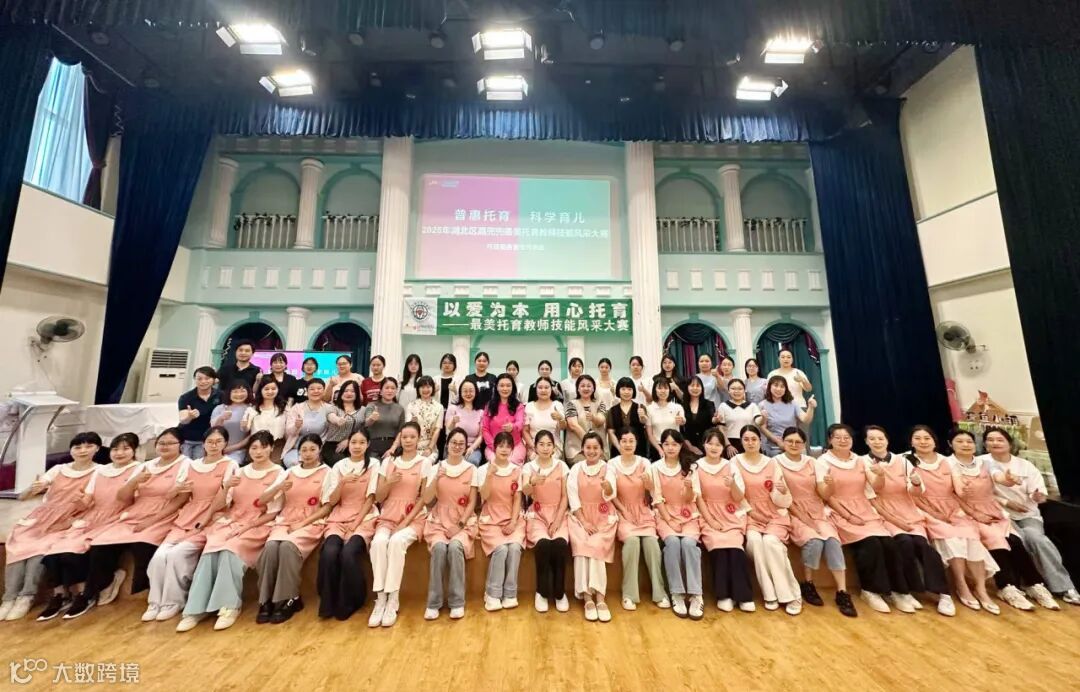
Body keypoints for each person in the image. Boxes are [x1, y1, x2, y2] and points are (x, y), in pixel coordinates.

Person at [177, 431, 286, 632]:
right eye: (254, 447)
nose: (258, 451)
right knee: (211, 549)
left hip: (258, 524)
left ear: (271, 448)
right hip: (232, 520)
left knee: (230, 550)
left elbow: (273, 512)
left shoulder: (278, 473)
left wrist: (248, 526)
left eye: (263, 447)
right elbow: (222, 504)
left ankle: (229, 606)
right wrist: (226, 487)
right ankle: (195, 609)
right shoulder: (240, 472)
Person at [80, 429, 191, 618]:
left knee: (143, 544)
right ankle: (98, 588)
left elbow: (180, 500)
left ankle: (149, 595)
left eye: (170, 443)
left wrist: (151, 521)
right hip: (135, 512)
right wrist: (134, 482)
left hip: (165, 514)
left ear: (180, 445)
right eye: (161, 443)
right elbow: (123, 497)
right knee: (100, 543)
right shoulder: (146, 466)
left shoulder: (186, 464)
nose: (165, 446)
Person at [36, 433, 141, 621]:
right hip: (92, 517)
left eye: (126, 449)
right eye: (115, 449)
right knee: (54, 552)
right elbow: (87, 501)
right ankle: (60, 595)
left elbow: (130, 499)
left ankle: (87, 594)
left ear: (134, 451)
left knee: (81, 552)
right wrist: (79, 501)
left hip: (118, 518)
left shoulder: (139, 469)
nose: (119, 453)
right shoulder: (101, 471)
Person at [1, 432, 101, 622]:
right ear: (71, 450)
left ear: (97, 448)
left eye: (88, 446)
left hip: (71, 520)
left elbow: (95, 503)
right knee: (17, 547)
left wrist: (70, 520)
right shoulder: (58, 469)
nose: (82, 450)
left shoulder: (100, 472)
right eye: (78, 447)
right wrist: (33, 489)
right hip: (42, 517)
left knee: (38, 552)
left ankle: (26, 597)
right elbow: (24, 496)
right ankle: (9, 598)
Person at [143, 427, 239, 623]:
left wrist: (205, 519)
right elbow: (176, 497)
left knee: (178, 555)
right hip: (186, 518)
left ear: (225, 444)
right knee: (159, 557)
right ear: (203, 444)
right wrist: (176, 489)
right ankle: (155, 602)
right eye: (210, 441)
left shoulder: (230, 465)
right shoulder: (191, 465)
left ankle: (174, 601)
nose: (214, 445)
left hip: (211, 519)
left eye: (218, 441)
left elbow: (224, 501)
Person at [951, 428, 1049, 611]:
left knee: (1015, 541)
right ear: (950, 444)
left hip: (991, 509)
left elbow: (999, 477)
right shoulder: (948, 464)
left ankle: (1034, 584)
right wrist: (974, 512)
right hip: (966, 513)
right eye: (960, 442)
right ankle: (1006, 586)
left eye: (969, 442)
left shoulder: (984, 463)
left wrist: (1009, 479)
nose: (965, 445)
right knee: (996, 541)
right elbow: (953, 495)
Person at [817, 423, 910, 614]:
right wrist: (849, 516)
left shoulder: (860, 460)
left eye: (847, 437)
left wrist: (881, 475)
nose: (843, 440)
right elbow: (826, 496)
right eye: (837, 437)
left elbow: (875, 487)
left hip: (865, 509)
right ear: (830, 440)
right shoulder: (823, 462)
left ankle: (897, 591)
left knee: (889, 543)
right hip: (840, 510)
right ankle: (870, 591)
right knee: (870, 543)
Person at [862, 425, 953, 616]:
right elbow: (873, 493)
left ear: (887, 440)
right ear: (866, 442)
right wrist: (897, 521)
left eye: (880, 438)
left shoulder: (903, 462)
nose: (877, 442)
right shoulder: (863, 462)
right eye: (872, 439)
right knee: (903, 543)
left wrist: (917, 483)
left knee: (923, 546)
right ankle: (905, 591)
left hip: (908, 510)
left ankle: (944, 594)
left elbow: (915, 492)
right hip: (884, 513)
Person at [985, 427, 1080, 605]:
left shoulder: (1025, 465)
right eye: (990, 440)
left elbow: (1038, 493)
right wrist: (1006, 502)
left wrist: (1037, 496)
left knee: (1037, 538)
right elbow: (979, 494)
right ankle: (1030, 583)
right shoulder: (982, 463)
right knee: (1017, 539)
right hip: (1000, 515)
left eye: (999, 439)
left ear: (1010, 443)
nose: (995, 443)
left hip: (1028, 514)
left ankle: (1064, 586)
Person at [910, 426, 1000, 613]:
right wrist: (934, 514)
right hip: (925, 509)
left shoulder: (947, 462)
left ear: (935, 441)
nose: (923, 442)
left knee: (972, 538)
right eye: (918, 438)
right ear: (911, 442)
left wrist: (964, 491)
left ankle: (981, 589)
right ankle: (961, 585)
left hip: (952, 508)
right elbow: (911, 495)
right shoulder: (907, 461)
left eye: (927, 438)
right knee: (952, 540)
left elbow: (957, 488)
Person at [775, 427, 858, 617]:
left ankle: (842, 591)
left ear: (804, 444)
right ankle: (808, 583)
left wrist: (830, 485)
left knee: (833, 541)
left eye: (798, 442)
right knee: (814, 541)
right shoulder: (776, 463)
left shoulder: (812, 463)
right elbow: (785, 499)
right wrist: (804, 518)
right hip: (792, 511)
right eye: (790, 441)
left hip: (817, 510)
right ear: (783, 442)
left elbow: (824, 494)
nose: (794, 445)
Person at [255, 434, 333, 624]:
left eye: (312, 449)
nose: (308, 453)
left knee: (288, 547)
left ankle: (289, 598)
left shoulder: (327, 472)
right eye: (304, 450)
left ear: (320, 450)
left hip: (311, 521)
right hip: (285, 520)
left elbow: (327, 507)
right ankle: (265, 599)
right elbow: (262, 500)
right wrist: (279, 487)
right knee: (271, 546)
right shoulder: (289, 472)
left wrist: (303, 524)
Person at [368, 423, 430, 628]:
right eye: (405, 437)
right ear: (400, 439)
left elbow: (423, 498)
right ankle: (380, 599)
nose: (408, 440)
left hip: (413, 517)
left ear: (418, 439)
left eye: (412, 437)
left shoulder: (424, 463)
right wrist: (389, 482)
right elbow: (378, 497)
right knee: (378, 543)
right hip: (388, 516)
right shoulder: (388, 462)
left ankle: (393, 598)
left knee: (396, 542)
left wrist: (404, 523)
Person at [735, 425, 802, 615]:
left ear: (760, 441)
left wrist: (782, 492)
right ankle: (769, 594)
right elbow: (736, 496)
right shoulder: (734, 463)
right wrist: (752, 513)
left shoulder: (772, 463)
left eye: (754, 439)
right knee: (755, 542)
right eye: (746, 439)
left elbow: (783, 500)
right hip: (749, 515)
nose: (750, 443)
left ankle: (791, 594)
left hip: (774, 514)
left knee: (771, 543)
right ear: (741, 442)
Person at [317, 428, 380, 620]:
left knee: (349, 553)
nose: (357, 446)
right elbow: (332, 501)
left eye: (362, 442)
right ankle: (328, 601)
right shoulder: (338, 467)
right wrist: (342, 482)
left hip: (364, 517)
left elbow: (371, 499)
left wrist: (356, 523)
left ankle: (352, 600)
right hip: (339, 516)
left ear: (368, 445)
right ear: (348, 444)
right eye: (353, 442)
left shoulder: (374, 464)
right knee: (329, 552)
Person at [694, 427, 755, 615]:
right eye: (710, 443)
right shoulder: (696, 467)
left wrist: (732, 484)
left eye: (718, 444)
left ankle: (743, 596)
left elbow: (739, 497)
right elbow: (698, 498)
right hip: (708, 515)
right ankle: (723, 595)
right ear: (704, 445)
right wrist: (711, 521)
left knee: (735, 550)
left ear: (723, 447)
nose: (714, 447)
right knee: (719, 549)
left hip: (731, 514)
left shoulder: (731, 466)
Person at [421, 428, 479, 620]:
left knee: (455, 547)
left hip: (463, 520)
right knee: (438, 548)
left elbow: (472, 502)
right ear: (447, 444)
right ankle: (434, 603)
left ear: (466, 447)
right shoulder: (436, 467)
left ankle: (457, 602)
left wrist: (459, 525)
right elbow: (427, 499)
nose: (457, 446)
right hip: (439, 519)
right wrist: (437, 478)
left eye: (461, 443)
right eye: (454, 442)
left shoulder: (471, 469)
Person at [610, 429, 667, 612]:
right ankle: (629, 594)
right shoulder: (612, 464)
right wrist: (624, 512)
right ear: (619, 443)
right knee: (632, 543)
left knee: (652, 543)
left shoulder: (645, 463)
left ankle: (660, 593)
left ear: (636, 443)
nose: (627, 444)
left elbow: (653, 492)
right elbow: (611, 495)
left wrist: (649, 484)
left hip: (643, 511)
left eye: (631, 441)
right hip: (623, 511)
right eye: (624, 441)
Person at [652, 430, 708, 617]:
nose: (670, 448)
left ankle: (696, 595)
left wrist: (689, 488)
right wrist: (669, 520)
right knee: (673, 543)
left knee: (690, 545)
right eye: (666, 444)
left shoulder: (691, 467)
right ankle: (676, 593)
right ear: (661, 446)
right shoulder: (655, 467)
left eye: (674, 444)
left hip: (688, 514)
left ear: (680, 445)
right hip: (665, 515)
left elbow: (692, 498)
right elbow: (657, 498)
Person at [566, 432, 618, 622]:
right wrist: (584, 521)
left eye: (596, 447)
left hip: (603, 516)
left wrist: (607, 488)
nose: (592, 451)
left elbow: (611, 493)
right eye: (588, 447)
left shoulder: (608, 468)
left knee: (596, 547)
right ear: (582, 449)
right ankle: (587, 598)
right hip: (580, 517)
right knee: (582, 547)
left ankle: (600, 598)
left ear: (602, 450)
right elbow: (573, 498)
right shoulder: (575, 469)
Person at [521, 430, 571, 613]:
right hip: (538, 514)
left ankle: (559, 593)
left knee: (559, 545)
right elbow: (525, 491)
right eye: (541, 444)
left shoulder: (562, 466)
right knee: (543, 545)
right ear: (535, 447)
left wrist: (557, 521)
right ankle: (541, 592)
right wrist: (532, 482)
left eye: (549, 444)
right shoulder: (529, 467)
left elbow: (565, 496)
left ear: (554, 447)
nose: (545, 448)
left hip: (559, 513)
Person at [476, 432, 527, 611]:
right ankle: (492, 593)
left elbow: (517, 499)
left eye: (508, 446)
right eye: (501, 446)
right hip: (491, 518)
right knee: (501, 549)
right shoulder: (483, 470)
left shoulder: (516, 470)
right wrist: (490, 475)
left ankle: (510, 592)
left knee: (514, 548)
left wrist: (513, 522)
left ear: (512, 449)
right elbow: (483, 496)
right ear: (494, 448)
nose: (504, 449)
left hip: (512, 517)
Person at [759, 376, 816, 456]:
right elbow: (762, 427)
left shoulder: (792, 403)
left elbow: (805, 419)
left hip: (793, 443)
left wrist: (810, 407)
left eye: (782, 386)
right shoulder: (763, 404)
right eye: (776, 385)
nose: (779, 389)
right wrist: (778, 442)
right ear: (769, 387)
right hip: (775, 447)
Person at [282, 378, 332, 468]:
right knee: (295, 464)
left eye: (319, 388)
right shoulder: (297, 408)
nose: (316, 391)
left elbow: (333, 431)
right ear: (306, 391)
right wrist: (296, 426)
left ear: (324, 391)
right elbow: (288, 432)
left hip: (319, 449)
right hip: (297, 448)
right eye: (312, 389)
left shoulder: (329, 409)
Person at [481, 374, 526, 465]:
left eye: (508, 385)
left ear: (513, 388)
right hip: (494, 446)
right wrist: (494, 446)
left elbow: (520, 423)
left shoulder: (518, 406)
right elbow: (485, 429)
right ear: (496, 387)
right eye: (501, 385)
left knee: (511, 463)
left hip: (514, 445)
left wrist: (512, 427)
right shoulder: (489, 406)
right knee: (496, 464)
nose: (505, 388)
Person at [177, 366, 220, 459]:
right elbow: (183, 420)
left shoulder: (221, 395)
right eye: (199, 379)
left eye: (207, 378)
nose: (203, 381)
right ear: (195, 380)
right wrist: (190, 417)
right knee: (185, 463)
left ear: (214, 380)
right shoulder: (186, 397)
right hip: (187, 438)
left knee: (200, 463)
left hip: (208, 439)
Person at [565, 375, 608, 463]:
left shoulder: (600, 402)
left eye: (589, 386)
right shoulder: (571, 404)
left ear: (593, 388)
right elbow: (573, 425)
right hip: (577, 450)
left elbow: (601, 420)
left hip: (598, 449)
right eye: (582, 386)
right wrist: (589, 443)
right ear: (578, 389)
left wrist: (594, 418)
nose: (586, 388)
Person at [243, 378, 288, 462]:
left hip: (277, 444)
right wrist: (244, 426)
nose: (270, 391)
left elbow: (288, 429)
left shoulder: (284, 408)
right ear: (261, 390)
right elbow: (246, 428)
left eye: (273, 389)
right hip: (257, 444)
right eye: (266, 389)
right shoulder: (252, 408)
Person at [361, 378, 406, 461]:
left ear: (396, 391)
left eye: (393, 388)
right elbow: (365, 423)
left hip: (392, 446)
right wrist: (372, 418)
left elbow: (401, 431)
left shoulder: (400, 409)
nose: (390, 391)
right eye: (387, 388)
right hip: (373, 446)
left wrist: (393, 449)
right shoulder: (371, 405)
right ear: (381, 391)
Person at [716, 379, 762, 458]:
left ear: (744, 390)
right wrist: (728, 445)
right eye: (733, 388)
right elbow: (721, 428)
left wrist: (763, 418)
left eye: (740, 389)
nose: (737, 391)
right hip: (731, 444)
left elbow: (758, 422)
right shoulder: (723, 406)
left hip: (750, 442)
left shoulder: (752, 406)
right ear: (728, 390)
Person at [323, 380, 365, 463]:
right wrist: (338, 420)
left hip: (355, 445)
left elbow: (364, 429)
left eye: (352, 391)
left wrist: (349, 440)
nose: (349, 393)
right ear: (341, 393)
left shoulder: (363, 410)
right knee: (342, 463)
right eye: (346, 391)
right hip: (333, 446)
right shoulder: (333, 408)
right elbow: (331, 417)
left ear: (357, 394)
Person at [524, 377, 566, 460]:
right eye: (540, 387)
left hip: (554, 447)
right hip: (534, 446)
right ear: (536, 390)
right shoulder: (529, 406)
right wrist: (534, 447)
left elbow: (563, 427)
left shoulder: (557, 405)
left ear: (551, 389)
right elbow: (525, 431)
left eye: (546, 387)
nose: (543, 390)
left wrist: (560, 418)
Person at [607, 377, 649, 458]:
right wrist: (620, 449)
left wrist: (643, 417)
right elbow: (611, 432)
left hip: (639, 450)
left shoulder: (640, 407)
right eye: (623, 389)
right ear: (618, 390)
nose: (626, 392)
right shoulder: (612, 410)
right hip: (618, 451)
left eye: (629, 389)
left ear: (633, 391)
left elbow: (644, 423)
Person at [444, 380, 484, 465]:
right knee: (453, 462)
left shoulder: (481, 412)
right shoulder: (453, 408)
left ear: (476, 392)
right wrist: (453, 422)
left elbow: (481, 436)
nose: (468, 393)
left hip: (472, 446)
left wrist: (472, 448)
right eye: (465, 391)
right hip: (454, 444)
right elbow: (449, 430)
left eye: (471, 391)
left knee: (472, 461)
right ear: (460, 392)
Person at [210, 381, 252, 462]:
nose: (239, 394)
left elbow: (251, 435)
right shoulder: (219, 408)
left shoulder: (250, 409)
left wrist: (230, 449)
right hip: (216, 449)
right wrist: (221, 418)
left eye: (242, 391)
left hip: (239, 452)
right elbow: (213, 430)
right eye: (235, 391)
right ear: (229, 393)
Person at [646, 379, 686, 461]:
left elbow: (683, 420)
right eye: (660, 388)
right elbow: (650, 435)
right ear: (655, 390)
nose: (663, 391)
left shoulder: (677, 407)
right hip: (657, 447)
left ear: (669, 390)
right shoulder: (649, 409)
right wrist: (660, 450)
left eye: (666, 388)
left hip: (675, 445)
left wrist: (681, 420)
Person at [406, 375, 444, 458]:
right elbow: (407, 429)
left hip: (430, 448)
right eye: (422, 387)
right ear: (418, 389)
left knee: (426, 462)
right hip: (412, 447)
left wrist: (429, 449)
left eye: (428, 387)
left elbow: (437, 430)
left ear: (433, 388)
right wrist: (412, 422)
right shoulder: (411, 405)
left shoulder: (439, 407)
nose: (425, 390)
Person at [680, 376, 718, 458]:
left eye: (698, 386)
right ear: (687, 388)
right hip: (687, 447)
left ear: (702, 388)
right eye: (692, 385)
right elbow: (680, 430)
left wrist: (715, 420)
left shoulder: (709, 404)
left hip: (706, 445)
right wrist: (690, 447)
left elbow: (712, 422)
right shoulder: (681, 406)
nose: (695, 388)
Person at [434, 353, 463, 457]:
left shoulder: (459, 379)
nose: (447, 365)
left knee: (450, 437)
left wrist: (456, 391)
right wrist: (433, 391)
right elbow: (429, 397)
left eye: (450, 363)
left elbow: (463, 398)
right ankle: (437, 458)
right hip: (438, 413)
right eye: (444, 363)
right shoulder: (435, 379)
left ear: (454, 365)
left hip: (451, 413)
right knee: (438, 436)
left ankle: (448, 459)